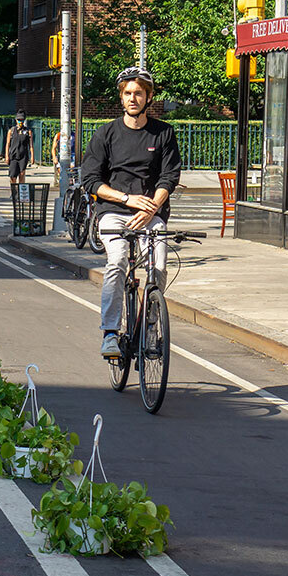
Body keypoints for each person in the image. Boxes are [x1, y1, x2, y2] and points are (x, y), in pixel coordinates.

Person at [80, 67, 182, 360]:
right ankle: (110, 333)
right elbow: (92, 181)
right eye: (128, 93)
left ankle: (150, 329)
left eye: (138, 93)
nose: (133, 98)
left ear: (149, 97)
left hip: (151, 214)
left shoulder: (164, 133)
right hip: (114, 212)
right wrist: (128, 199)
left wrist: (150, 207)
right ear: (121, 97)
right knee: (118, 261)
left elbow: (169, 177)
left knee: (159, 267)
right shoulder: (106, 134)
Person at [5, 111, 33, 184]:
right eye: (19, 120)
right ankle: (14, 191)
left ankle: (21, 192)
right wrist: (7, 156)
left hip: (23, 155)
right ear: (16, 120)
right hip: (13, 155)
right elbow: (8, 144)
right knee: (13, 175)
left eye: (22, 120)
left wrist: (32, 156)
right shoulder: (11, 131)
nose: (20, 122)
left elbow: (30, 145)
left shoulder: (27, 131)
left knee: (22, 174)